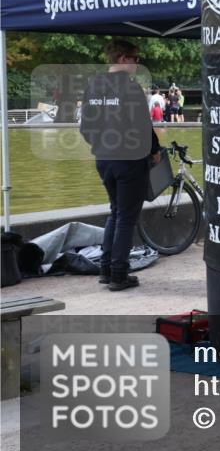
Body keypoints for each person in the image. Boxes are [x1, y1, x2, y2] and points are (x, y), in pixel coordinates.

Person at [80, 40, 160, 291]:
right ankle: (119, 274)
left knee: (115, 212)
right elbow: (142, 125)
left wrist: (100, 144)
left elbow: (86, 126)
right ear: (123, 59)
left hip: (103, 159)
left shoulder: (94, 86)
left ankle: (105, 269)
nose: (138, 64)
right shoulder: (130, 87)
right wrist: (155, 150)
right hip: (129, 159)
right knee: (126, 217)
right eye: (136, 59)